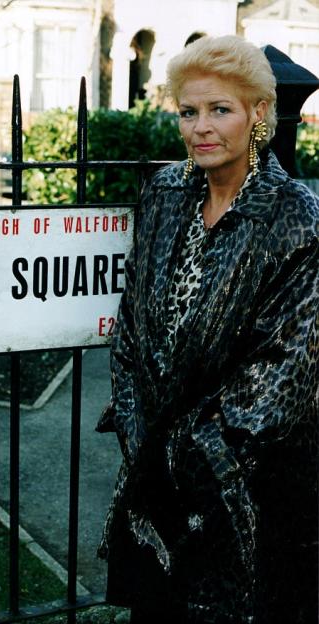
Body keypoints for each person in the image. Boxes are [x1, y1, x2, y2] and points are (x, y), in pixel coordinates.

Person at [96, 35, 318, 623]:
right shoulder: (166, 194)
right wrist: (142, 436)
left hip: (248, 491)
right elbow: (132, 333)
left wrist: (181, 458)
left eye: (220, 110)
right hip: (155, 481)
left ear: (258, 114)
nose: (201, 128)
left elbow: (277, 382)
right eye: (188, 112)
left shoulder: (296, 216)